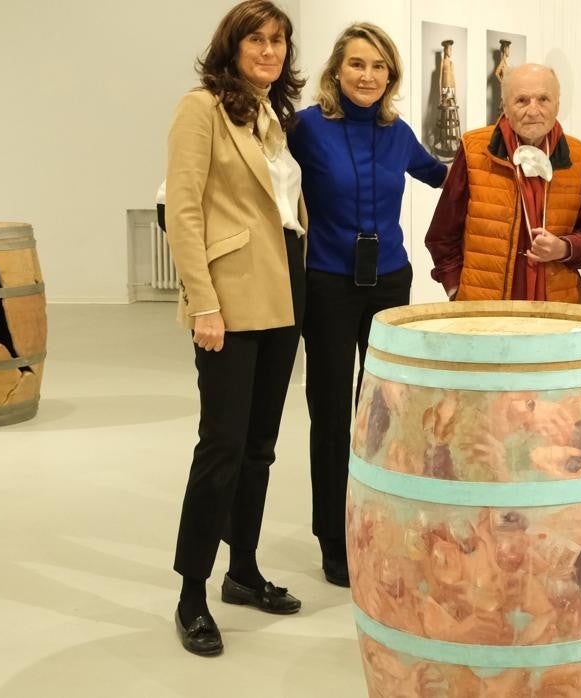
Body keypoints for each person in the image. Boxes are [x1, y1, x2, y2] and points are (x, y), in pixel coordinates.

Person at [165, 0, 307, 656]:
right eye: (258, 39)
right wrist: (203, 303)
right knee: (220, 446)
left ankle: (242, 573)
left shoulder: (276, 114)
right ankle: (192, 592)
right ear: (234, 44)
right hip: (229, 296)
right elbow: (184, 209)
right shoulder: (202, 108)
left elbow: (284, 208)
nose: (270, 51)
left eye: (279, 40)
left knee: (260, 447)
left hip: (282, 292)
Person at [288, 22, 446, 588]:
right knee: (330, 414)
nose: (368, 76)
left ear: (391, 76)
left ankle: (374, 523)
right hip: (328, 283)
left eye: (379, 67)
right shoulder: (304, 128)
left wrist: (504, 156)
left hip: (389, 283)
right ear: (336, 70)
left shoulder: (397, 131)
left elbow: (443, 177)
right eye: (358, 64)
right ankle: (333, 537)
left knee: (380, 411)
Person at [425, 64, 581, 302]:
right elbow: (442, 235)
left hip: (556, 310)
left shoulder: (576, 156)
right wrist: (456, 289)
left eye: (543, 99)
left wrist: (565, 247)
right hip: (485, 311)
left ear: (557, 105)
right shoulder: (474, 150)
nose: (533, 110)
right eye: (521, 100)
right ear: (505, 107)